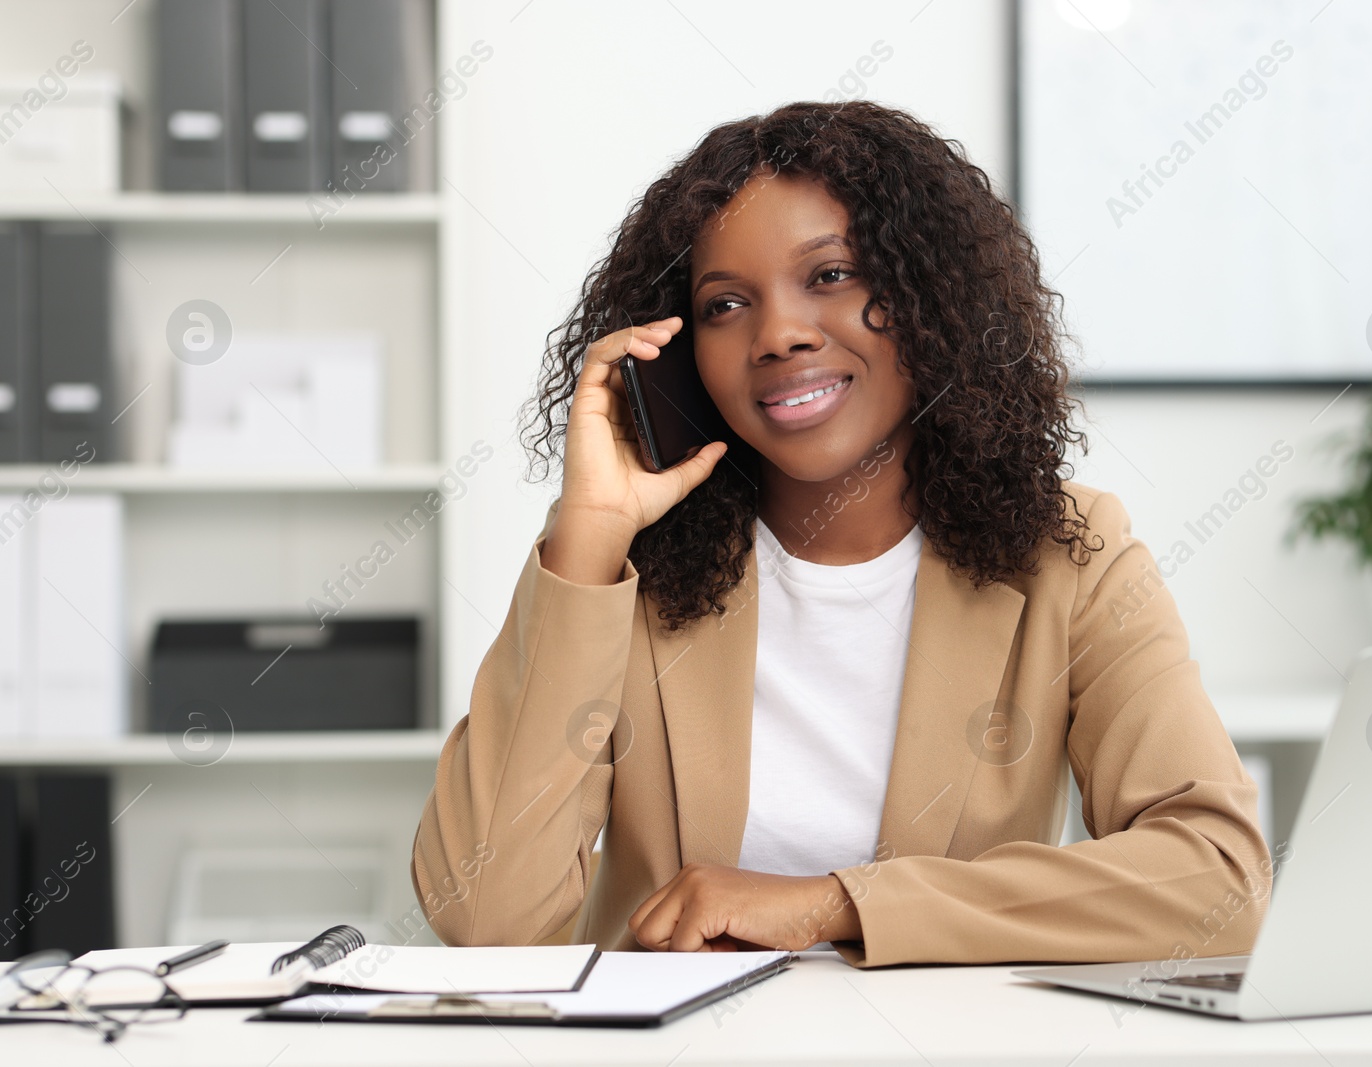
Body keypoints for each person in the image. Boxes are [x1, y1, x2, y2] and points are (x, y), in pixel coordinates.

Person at [411, 100, 1273, 967]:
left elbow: (1218, 879)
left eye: (829, 276)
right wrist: (590, 535)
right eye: (724, 303)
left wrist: (834, 905)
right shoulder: (627, 566)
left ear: (929, 297)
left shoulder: (1067, 554)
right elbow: (484, 915)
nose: (779, 334)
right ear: (677, 351)